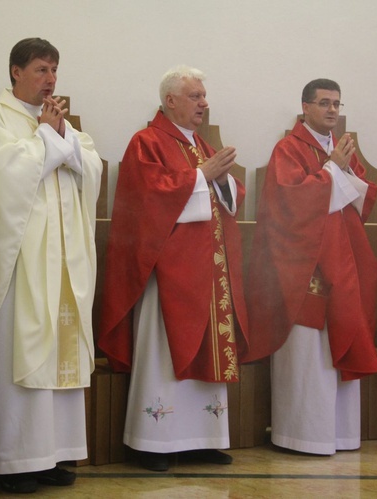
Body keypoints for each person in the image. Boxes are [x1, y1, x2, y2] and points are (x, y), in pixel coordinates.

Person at [98, 65, 249, 472]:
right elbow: (148, 200)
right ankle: (153, 442)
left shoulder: (200, 143)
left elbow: (228, 194)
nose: (204, 103)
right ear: (171, 101)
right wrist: (202, 176)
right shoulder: (146, 142)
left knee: (206, 352)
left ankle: (202, 439)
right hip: (167, 273)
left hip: (207, 270)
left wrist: (218, 179)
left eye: (203, 95)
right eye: (196, 96)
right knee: (164, 355)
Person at [0, 38, 103, 494]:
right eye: (42, 70)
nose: (51, 80)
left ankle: (54, 456)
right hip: (20, 265)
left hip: (64, 261)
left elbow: (91, 167)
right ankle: (16, 461)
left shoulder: (62, 124)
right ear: (15, 72)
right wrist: (49, 139)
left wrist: (60, 139)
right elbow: (5, 178)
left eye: (54, 71)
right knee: (20, 355)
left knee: (60, 355)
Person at [246, 78, 377, 456]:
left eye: (337, 103)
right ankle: (301, 435)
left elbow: (360, 198)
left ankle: (340, 434)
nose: (333, 110)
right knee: (309, 355)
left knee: (339, 341)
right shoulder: (288, 149)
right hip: (303, 269)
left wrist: (343, 171)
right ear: (305, 107)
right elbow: (290, 203)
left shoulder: (339, 151)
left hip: (342, 261)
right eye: (324, 103)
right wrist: (333, 171)